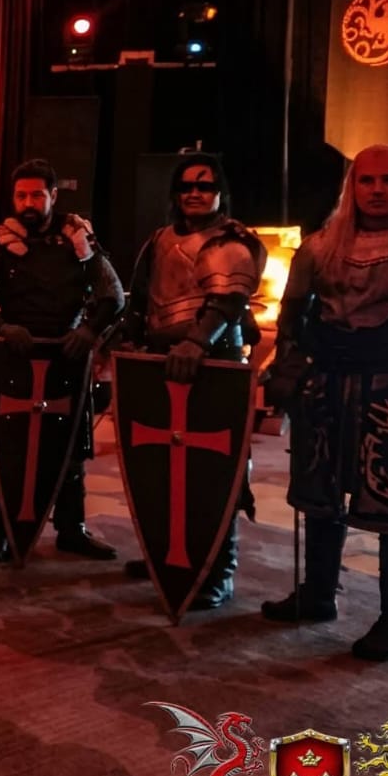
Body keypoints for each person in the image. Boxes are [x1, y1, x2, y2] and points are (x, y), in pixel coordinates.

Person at [261, 144, 388, 661]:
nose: (376, 190)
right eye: (366, 180)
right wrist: (288, 371)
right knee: (320, 495)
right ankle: (318, 594)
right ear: (352, 186)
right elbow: (293, 317)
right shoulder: (321, 246)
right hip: (327, 384)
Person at [117, 153, 266, 609]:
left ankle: (218, 571)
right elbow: (141, 299)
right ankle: (166, 555)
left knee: (216, 474)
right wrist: (128, 343)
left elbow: (228, 301)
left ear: (219, 191)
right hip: (160, 363)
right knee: (161, 468)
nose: (195, 193)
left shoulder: (230, 240)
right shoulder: (159, 239)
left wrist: (198, 343)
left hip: (214, 363)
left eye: (204, 185)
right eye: (186, 186)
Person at [0, 159, 123, 562]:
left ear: (53, 195)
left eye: (36, 195)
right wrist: (0, 326)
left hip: (67, 355)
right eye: (21, 196)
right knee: (8, 448)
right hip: (15, 356)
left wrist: (88, 332)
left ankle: (72, 529)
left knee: (71, 448)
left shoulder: (77, 239)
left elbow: (112, 295)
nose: (28, 203)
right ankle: (1, 530)